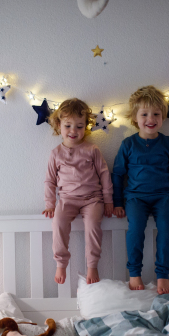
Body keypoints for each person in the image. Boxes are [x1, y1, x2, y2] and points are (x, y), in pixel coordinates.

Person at [112, 86, 169, 294]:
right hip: (136, 198)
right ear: (135, 118)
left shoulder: (168, 144)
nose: (151, 118)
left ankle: (162, 274)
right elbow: (118, 174)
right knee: (135, 229)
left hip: (164, 197)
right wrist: (117, 203)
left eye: (156, 114)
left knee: (166, 229)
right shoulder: (128, 144)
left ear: (163, 116)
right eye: (144, 114)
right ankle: (134, 272)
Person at [43, 98, 114, 285]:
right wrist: (50, 204)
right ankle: (61, 263)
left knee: (92, 225)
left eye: (79, 126)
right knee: (58, 222)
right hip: (67, 200)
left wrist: (108, 201)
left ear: (86, 127)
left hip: (92, 200)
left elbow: (104, 174)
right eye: (68, 125)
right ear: (59, 125)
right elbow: (50, 180)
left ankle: (92, 265)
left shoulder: (92, 149)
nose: (73, 131)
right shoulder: (56, 153)